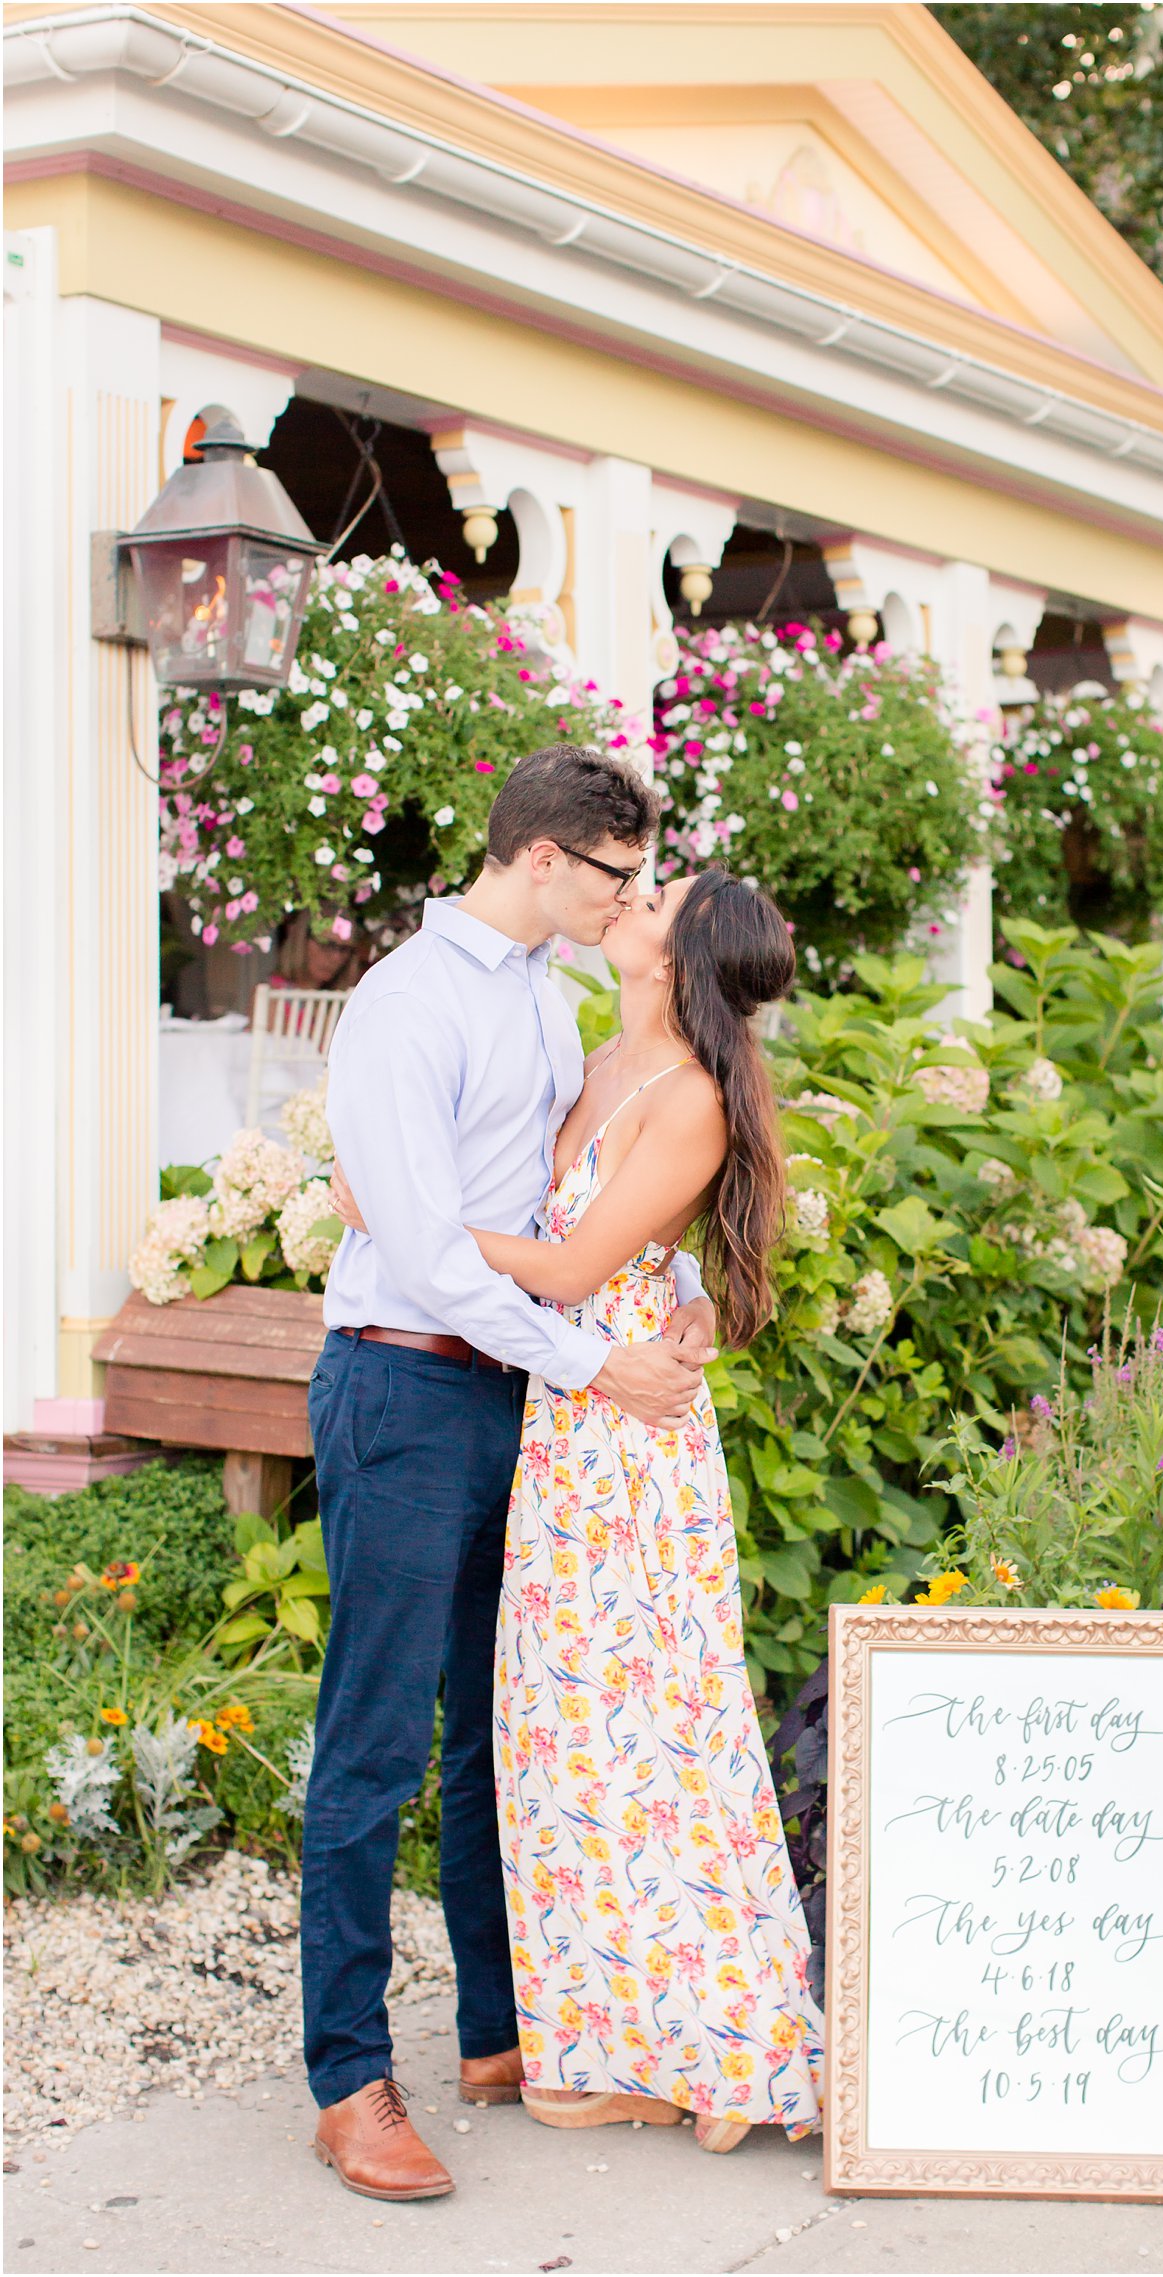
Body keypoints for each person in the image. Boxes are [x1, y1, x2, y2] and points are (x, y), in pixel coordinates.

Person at [334, 868, 826, 2154]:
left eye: (655, 898)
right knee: (568, 1742)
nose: (630, 901)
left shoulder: (690, 1100)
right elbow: (573, 1231)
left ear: (684, 957)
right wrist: (404, 1189)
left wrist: (404, 1207)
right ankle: (621, 2040)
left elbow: (560, 1262)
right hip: (557, 1414)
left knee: (657, 1729)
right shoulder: (588, 1048)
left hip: (621, 1432)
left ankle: (733, 2050)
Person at [303, 744, 718, 2204]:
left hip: (520, 1406)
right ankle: (350, 2077)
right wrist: (592, 1361)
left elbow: (584, 1205)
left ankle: (499, 2030)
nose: (629, 900)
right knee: (373, 1734)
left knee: (499, 1728)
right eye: (617, 873)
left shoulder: (551, 1003)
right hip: (407, 1383)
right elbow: (415, 1244)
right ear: (544, 856)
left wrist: (672, 1298)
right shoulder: (405, 1004)